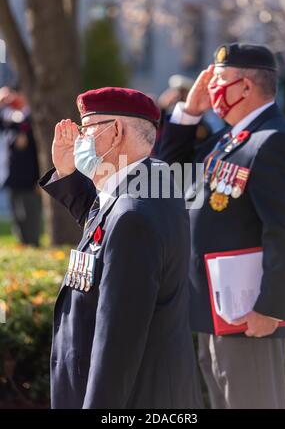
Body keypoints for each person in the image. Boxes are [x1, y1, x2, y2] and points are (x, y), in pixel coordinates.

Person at [39, 86, 203, 409]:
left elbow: (116, 344)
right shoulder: (152, 181)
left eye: (87, 130)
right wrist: (69, 174)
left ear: (115, 133)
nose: (80, 140)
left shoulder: (133, 217)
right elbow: (103, 220)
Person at [159, 43, 285, 409]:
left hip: (249, 310)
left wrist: (271, 308)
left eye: (219, 80)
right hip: (217, 308)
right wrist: (189, 112)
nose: (211, 88)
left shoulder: (272, 141)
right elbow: (170, 178)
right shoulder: (232, 139)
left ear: (246, 87)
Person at [0, 86, 41, 246]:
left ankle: (33, 244)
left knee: (30, 214)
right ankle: (23, 243)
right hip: (12, 176)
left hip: (31, 178)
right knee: (17, 215)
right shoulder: (10, 118)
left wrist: (40, 178)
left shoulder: (32, 117)